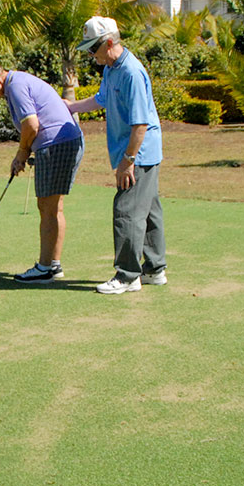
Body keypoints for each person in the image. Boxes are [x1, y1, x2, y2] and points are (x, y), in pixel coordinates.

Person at [66, 16, 167, 294]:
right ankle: (155, 269)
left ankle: (127, 275)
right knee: (148, 210)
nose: (90, 55)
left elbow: (140, 124)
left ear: (109, 42)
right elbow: (102, 99)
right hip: (137, 150)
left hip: (140, 152)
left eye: (92, 48)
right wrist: (72, 107)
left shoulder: (132, 72)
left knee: (126, 210)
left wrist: (128, 161)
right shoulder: (111, 68)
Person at [0, 53, 84, 284]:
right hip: (64, 142)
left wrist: (22, 153)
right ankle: (52, 264)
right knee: (53, 206)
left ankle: (45, 267)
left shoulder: (16, 86)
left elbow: (31, 124)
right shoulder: (15, 84)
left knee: (47, 207)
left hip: (57, 144)